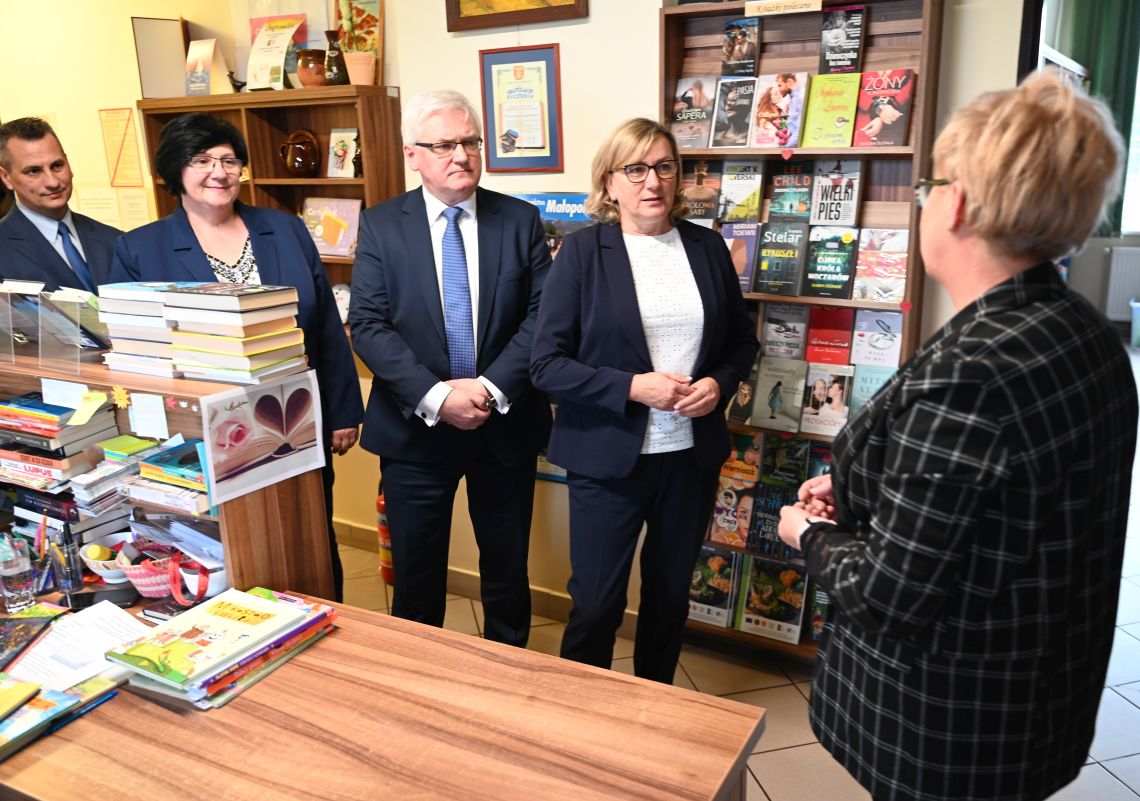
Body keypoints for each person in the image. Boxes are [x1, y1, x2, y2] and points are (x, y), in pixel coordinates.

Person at [778, 73, 1137, 801]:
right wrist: (861, 490)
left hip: (949, 726)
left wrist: (805, 535)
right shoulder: (1083, 330)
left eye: (928, 187)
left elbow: (887, 597)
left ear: (960, 201)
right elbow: (1005, 507)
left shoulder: (971, 373)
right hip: (1039, 698)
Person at [530, 117, 758, 683]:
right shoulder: (582, 252)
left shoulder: (707, 247)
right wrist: (633, 387)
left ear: (677, 176)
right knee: (597, 604)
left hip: (689, 458)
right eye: (634, 169)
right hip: (608, 458)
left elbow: (740, 343)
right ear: (609, 182)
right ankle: (586, 714)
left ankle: (656, 707)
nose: (652, 181)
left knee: (670, 596)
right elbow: (546, 365)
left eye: (663, 167)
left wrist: (718, 385)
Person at [108, 112, 362, 601]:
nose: (218, 172)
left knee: (309, 537)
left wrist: (344, 411)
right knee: (227, 550)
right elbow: (134, 350)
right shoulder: (140, 248)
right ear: (176, 170)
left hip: (295, 420)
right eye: (201, 160)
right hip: (203, 433)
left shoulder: (284, 229)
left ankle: (326, 617)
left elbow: (325, 327)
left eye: (228, 160)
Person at [348, 90, 551, 647]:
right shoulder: (382, 225)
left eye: (470, 142)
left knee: (507, 574)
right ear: (412, 154)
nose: (461, 155)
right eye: (443, 145)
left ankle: (508, 671)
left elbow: (542, 318)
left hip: (503, 423)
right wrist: (439, 397)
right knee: (416, 580)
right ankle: (421, 677)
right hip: (415, 431)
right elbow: (368, 325)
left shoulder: (520, 220)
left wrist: (487, 389)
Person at [0, 118, 119, 291]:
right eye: (33, 171)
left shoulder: (115, 240)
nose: (52, 182)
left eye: (57, 166)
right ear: (6, 178)